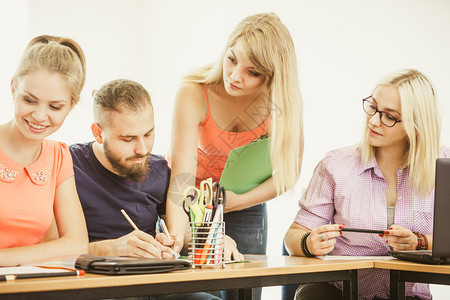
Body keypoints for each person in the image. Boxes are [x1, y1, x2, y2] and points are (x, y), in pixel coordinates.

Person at [284, 69, 449, 300]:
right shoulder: (336, 165)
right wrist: (308, 243)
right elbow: (294, 236)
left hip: (409, 296)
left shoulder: (442, 168)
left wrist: (419, 242)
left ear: (417, 124)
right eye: (372, 107)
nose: (373, 120)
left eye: (389, 116)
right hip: (336, 292)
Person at [167, 12, 303, 277]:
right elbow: (180, 179)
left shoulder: (283, 102)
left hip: (248, 205)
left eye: (252, 72)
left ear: (273, 76)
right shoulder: (194, 91)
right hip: (192, 205)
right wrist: (174, 239)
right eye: (232, 59)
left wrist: (239, 201)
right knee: (200, 286)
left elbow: (288, 174)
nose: (235, 76)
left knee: (246, 287)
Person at [70, 79, 221, 300]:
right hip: (97, 285)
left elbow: (178, 228)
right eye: (128, 139)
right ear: (98, 132)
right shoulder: (70, 165)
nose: (142, 149)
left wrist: (205, 238)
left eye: (148, 134)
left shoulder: (158, 168)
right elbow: (50, 248)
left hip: (154, 283)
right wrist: (112, 248)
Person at [0, 35, 88, 266]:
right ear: (13, 88)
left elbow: (77, 244)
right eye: (29, 101)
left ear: (72, 104)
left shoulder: (58, 156)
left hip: (31, 284)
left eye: (54, 106)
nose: (39, 116)